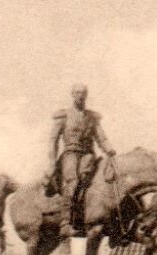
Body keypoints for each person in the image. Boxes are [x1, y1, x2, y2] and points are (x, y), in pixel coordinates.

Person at [47, 84, 115, 239]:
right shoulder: (63, 116)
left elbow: (101, 137)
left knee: (97, 180)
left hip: (88, 155)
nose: (81, 96)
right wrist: (52, 162)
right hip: (70, 153)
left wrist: (109, 149)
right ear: (72, 94)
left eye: (83, 93)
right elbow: (52, 140)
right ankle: (65, 223)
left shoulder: (92, 117)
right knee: (72, 182)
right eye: (77, 93)